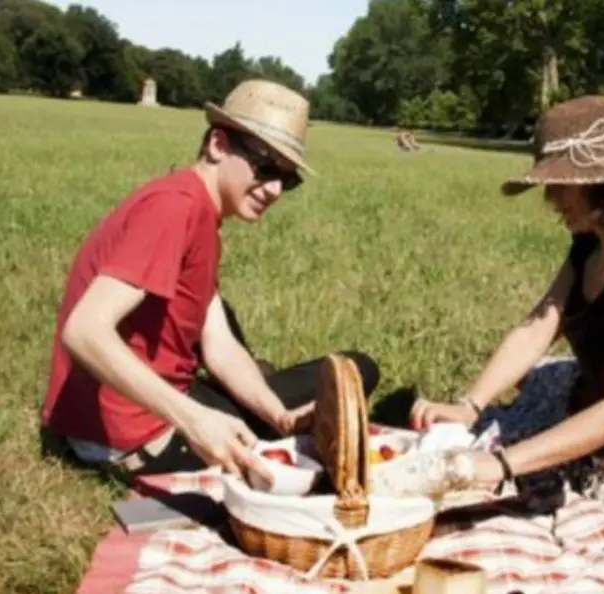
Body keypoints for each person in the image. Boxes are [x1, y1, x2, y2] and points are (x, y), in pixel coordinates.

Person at [39, 79, 381, 481]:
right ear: (218, 144)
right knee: (350, 382)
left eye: (287, 179)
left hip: (161, 405)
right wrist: (194, 420)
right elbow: (83, 331)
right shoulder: (174, 208)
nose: (273, 190)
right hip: (130, 438)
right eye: (266, 167)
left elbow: (217, 345)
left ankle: (266, 419)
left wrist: (281, 417)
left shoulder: (201, 211)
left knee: (348, 374)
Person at [383, 95, 604, 508]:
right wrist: (469, 405)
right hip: (586, 398)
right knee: (497, 417)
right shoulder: (589, 243)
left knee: (495, 487)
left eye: (559, 183)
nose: (551, 198)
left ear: (601, 181)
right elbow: (539, 325)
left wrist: (499, 464)